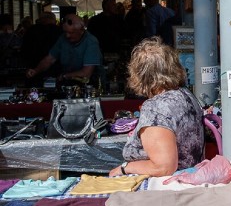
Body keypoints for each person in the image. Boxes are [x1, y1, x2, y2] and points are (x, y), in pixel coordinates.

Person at [109, 38, 204, 177]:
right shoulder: (186, 95)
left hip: (164, 187)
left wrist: (125, 168)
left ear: (140, 75)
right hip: (189, 178)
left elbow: (163, 167)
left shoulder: (156, 108)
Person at [25, 14, 102, 83]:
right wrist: (35, 70)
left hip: (89, 84)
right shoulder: (63, 38)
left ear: (81, 30)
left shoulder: (91, 41)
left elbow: (86, 73)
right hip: (69, 82)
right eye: (65, 32)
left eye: (71, 33)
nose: (67, 36)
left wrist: (64, 76)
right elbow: (49, 59)